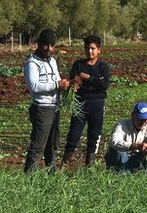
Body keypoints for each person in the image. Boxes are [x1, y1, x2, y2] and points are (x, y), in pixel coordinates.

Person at [23, 28, 70, 173]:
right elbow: (34, 87)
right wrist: (57, 85)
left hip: (54, 108)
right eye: (45, 45)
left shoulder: (53, 61)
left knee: (52, 143)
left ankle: (51, 171)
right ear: (39, 44)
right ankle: (30, 175)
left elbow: (55, 80)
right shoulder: (32, 63)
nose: (49, 49)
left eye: (52, 45)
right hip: (42, 109)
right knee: (38, 144)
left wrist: (65, 86)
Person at [62, 34, 111, 168]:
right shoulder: (78, 65)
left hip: (97, 105)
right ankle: (65, 163)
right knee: (74, 134)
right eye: (87, 48)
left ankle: (90, 165)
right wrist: (74, 84)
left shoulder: (103, 67)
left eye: (92, 48)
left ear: (99, 50)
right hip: (80, 105)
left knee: (94, 135)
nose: (89, 51)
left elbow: (104, 85)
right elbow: (73, 82)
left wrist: (87, 77)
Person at [104, 102, 147, 173]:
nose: (142, 122)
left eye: (145, 119)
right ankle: (119, 173)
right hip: (122, 158)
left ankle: (145, 174)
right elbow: (114, 142)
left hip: (137, 158)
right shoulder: (122, 125)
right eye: (139, 119)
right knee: (117, 151)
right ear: (132, 115)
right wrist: (136, 146)